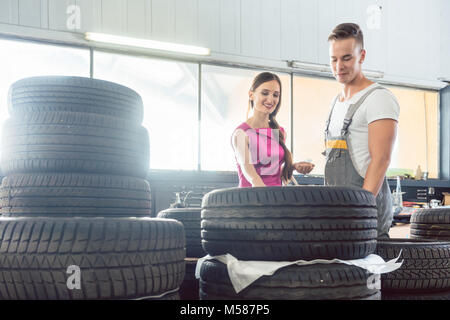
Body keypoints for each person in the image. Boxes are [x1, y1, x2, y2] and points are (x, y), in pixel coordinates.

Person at [324, 23, 400, 238]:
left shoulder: (378, 98)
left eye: (346, 58)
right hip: (336, 213)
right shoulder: (335, 103)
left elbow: (381, 160)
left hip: (365, 217)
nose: (339, 66)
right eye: (334, 59)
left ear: (362, 55)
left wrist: (360, 213)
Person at [231, 72, 314, 187]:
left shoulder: (280, 132)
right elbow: (251, 176)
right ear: (251, 95)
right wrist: (269, 199)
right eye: (265, 93)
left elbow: (272, 171)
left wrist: (294, 167)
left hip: (275, 198)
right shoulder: (241, 133)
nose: (270, 100)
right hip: (251, 199)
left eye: (275, 95)